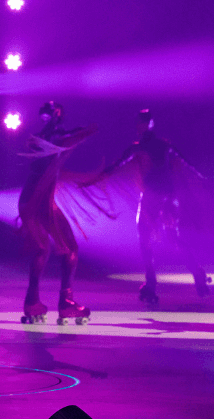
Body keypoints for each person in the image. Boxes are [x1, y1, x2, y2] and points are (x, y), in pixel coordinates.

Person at [83, 109, 210, 303]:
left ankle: (152, 285)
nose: (138, 126)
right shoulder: (162, 145)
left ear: (144, 125)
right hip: (168, 197)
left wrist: (96, 178)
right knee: (170, 238)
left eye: (140, 123)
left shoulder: (141, 147)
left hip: (155, 197)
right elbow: (186, 162)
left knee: (147, 238)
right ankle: (196, 276)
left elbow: (117, 165)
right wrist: (203, 176)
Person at [18, 102, 96, 324]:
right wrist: (88, 131)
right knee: (70, 248)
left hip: (28, 200)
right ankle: (66, 302)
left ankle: (32, 302)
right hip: (40, 201)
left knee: (42, 249)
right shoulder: (55, 137)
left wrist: (83, 132)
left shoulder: (39, 138)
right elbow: (68, 137)